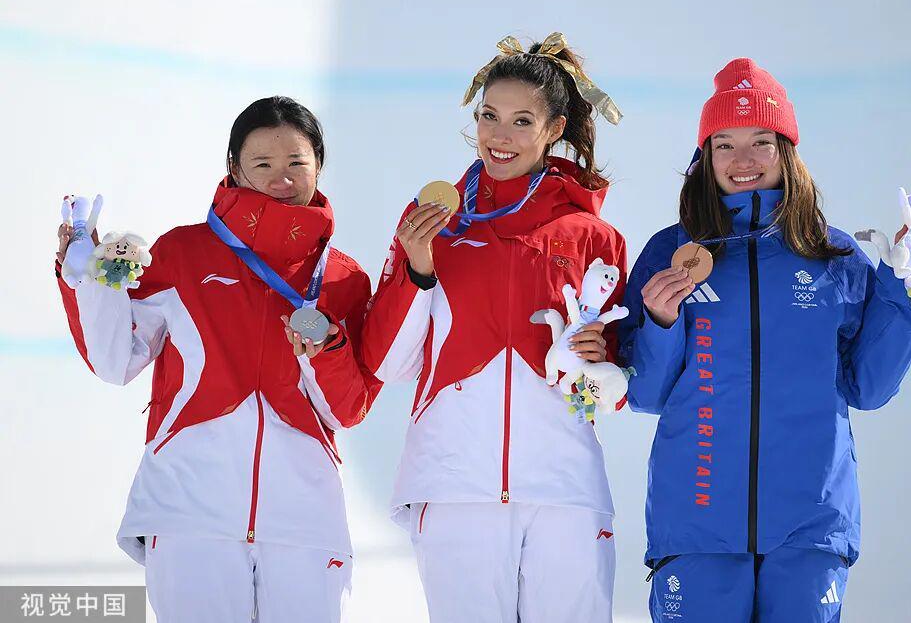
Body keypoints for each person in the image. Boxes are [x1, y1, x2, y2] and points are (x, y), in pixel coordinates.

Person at [618, 58, 911, 622]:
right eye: (724, 144)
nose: (742, 160)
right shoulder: (671, 253)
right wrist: (660, 322)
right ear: (705, 156)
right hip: (696, 524)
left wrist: (906, 288)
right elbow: (646, 394)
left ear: (787, 152)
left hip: (810, 526)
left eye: (761, 142)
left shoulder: (832, 254)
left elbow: (868, 387)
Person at [55, 96, 381, 622]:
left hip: (303, 522)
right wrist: (90, 279)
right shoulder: (182, 254)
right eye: (263, 164)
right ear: (233, 166)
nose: (281, 178)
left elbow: (347, 410)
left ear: (319, 164)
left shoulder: (344, 278)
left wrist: (325, 352)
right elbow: (115, 361)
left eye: (296, 162)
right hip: (189, 514)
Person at [360, 33, 627, 623]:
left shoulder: (591, 235)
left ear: (554, 129)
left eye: (521, 121)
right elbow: (387, 363)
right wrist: (417, 270)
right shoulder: (432, 220)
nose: (499, 136)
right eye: (488, 116)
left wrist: (599, 363)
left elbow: (608, 391)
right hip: (454, 483)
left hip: (564, 488)